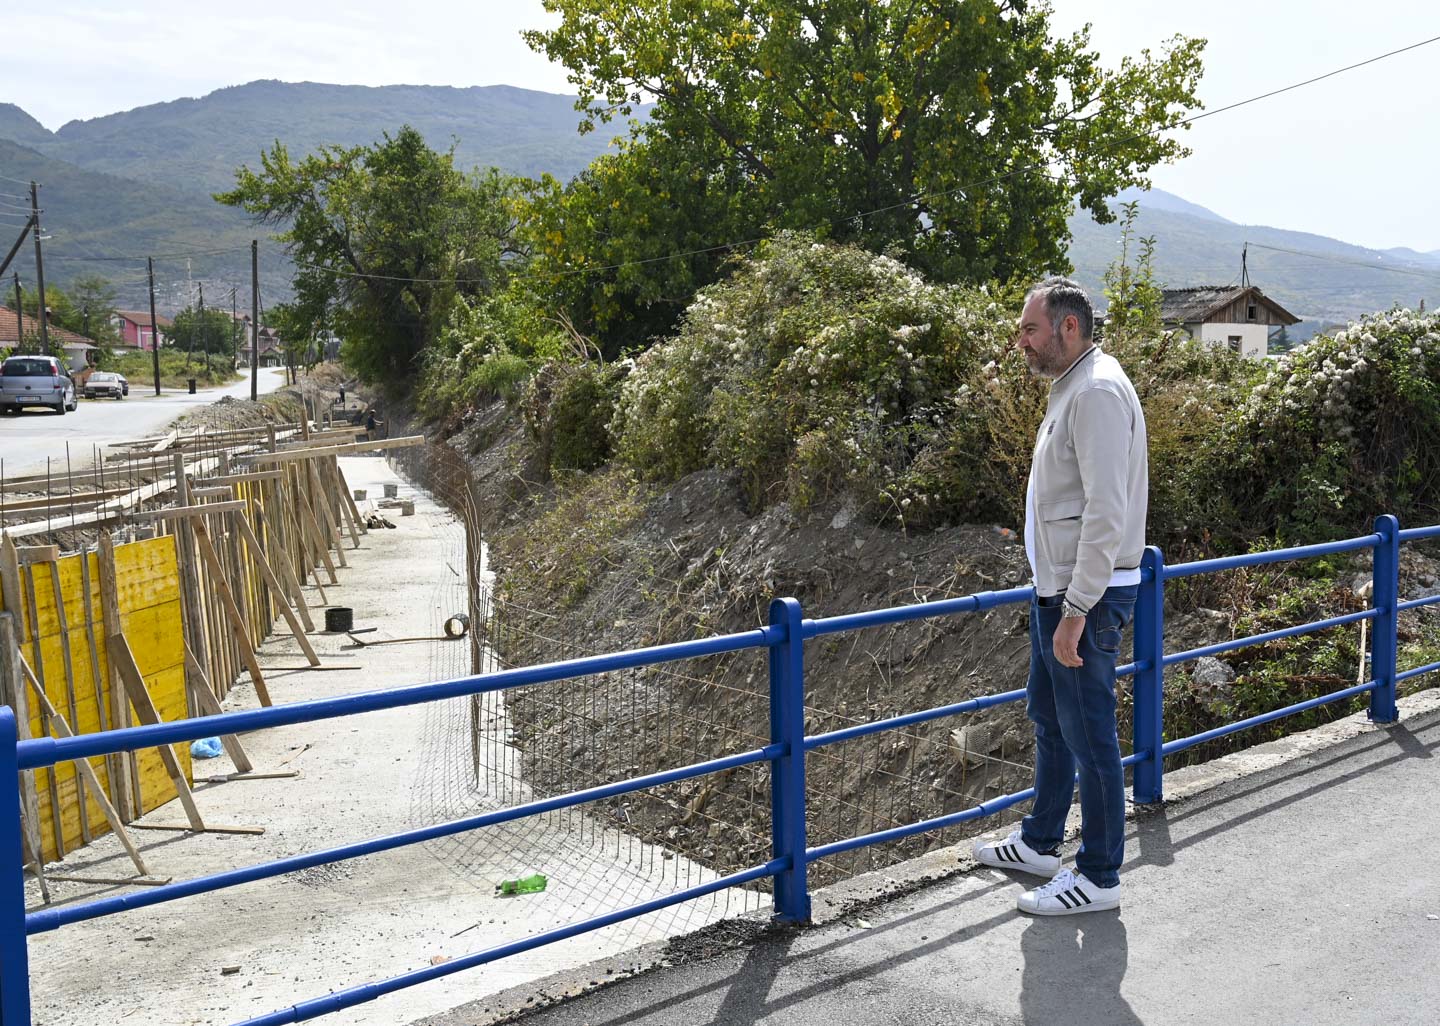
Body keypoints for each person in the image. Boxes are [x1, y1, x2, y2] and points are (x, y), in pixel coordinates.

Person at [974, 277, 1149, 916]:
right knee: (1050, 718)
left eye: (1030, 329)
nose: (1021, 341)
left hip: (1085, 597)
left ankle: (1099, 875)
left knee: (1090, 736)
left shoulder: (1095, 391)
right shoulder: (1075, 384)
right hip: (1061, 588)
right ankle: (1041, 843)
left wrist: (1075, 609)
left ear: (1067, 327)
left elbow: (1106, 510)